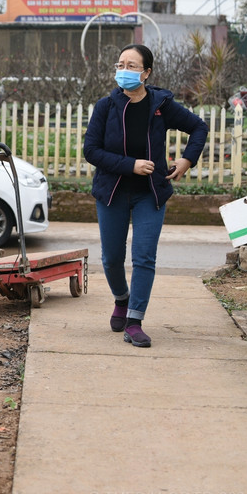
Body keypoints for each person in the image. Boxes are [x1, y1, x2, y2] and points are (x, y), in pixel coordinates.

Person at [83, 44, 208, 348]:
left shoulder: (161, 105)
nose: (124, 71)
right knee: (111, 258)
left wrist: (187, 160)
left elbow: (198, 127)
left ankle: (135, 321)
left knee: (144, 257)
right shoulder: (106, 107)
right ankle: (121, 299)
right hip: (112, 192)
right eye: (120, 64)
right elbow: (91, 151)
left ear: (147, 72)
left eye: (132, 66)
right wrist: (131, 165)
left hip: (150, 194)